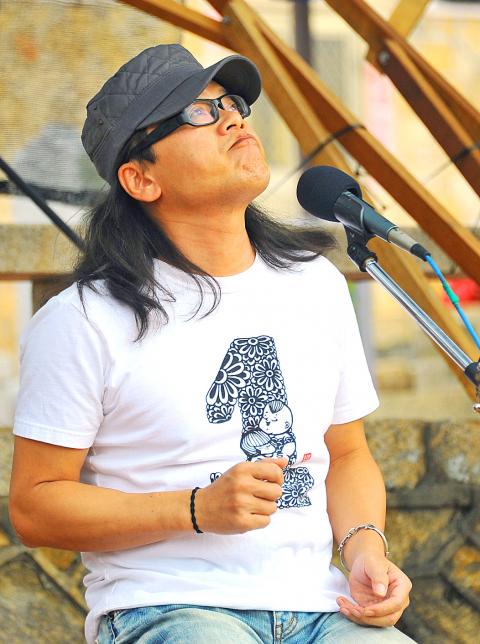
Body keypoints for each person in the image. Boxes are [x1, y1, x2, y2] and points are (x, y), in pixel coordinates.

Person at [9, 44, 415, 644]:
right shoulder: (84, 319)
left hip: (321, 605)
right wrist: (195, 509)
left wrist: (365, 552)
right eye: (198, 113)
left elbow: (348, 454)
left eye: (232, 103)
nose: (232, 119)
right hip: (167, 607)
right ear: (141, 178)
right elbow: (35, 506)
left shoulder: (315, 284)